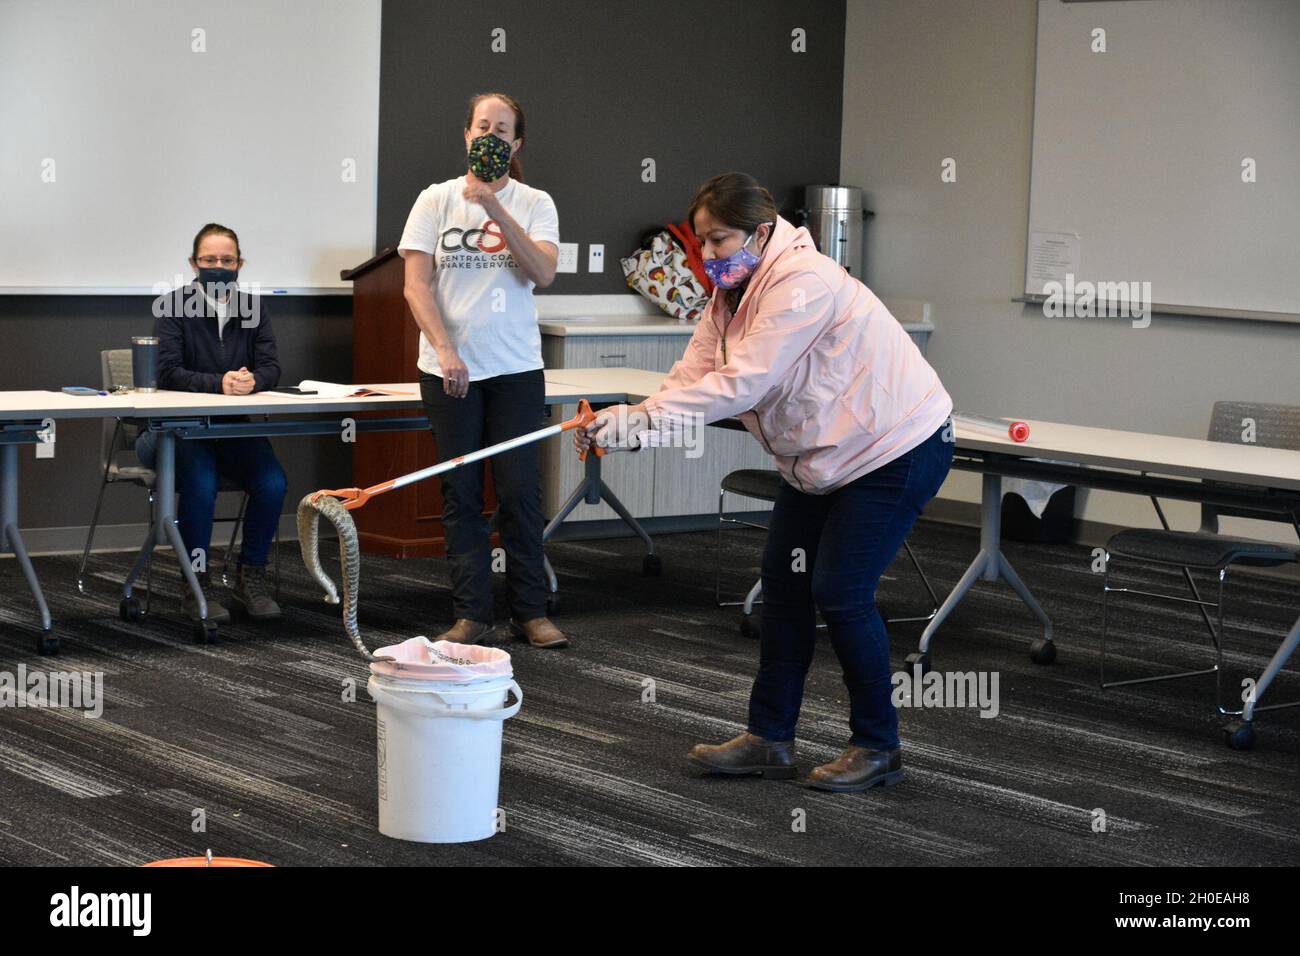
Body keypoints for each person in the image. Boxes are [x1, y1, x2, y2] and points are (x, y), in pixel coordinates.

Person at [576, 173, 954, 792]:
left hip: (896, 448)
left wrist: (644, 419)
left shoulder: (804, 282)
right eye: (700, 242)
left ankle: (879, 747)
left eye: (718, 240)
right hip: (821, 460)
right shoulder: (730, 294)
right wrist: (629, 427)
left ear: (760, 230)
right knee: (784, 588)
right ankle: (770, 740)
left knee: (840, 591)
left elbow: (743, 383)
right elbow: (693, 374)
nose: (707, 255)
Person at [398, 92, 567, 649]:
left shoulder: (536, 202)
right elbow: (415, 286)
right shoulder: (433, 200)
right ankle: (472, 613)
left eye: (502, 130)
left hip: (515, 369)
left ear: (515, 143)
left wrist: (494, 206)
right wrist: (446, 351)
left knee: (520, 491)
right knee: (461, 491)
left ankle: (530, 611)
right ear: (466, 135)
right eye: (482, 127)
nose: (490, 137)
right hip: (449, 370)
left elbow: (542, 272)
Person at [142, 223, 287, 624]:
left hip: (232, 427)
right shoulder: (173, 306)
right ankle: (195, 581)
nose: (219, 267)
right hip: (178, 431)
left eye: (227, 260)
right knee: (200, 487)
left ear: (240, 264)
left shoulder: (254, 308)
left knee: (272, 483)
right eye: (210, 260)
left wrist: (255, 380)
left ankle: (250, 575)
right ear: (193, 263)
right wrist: (218, 383)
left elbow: (272, 365)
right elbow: (166, 372)